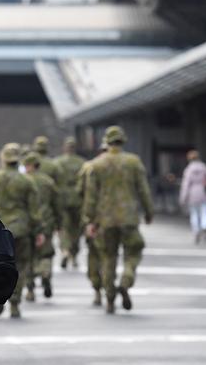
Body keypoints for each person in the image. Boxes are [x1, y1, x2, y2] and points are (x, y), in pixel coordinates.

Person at [83, 126, 154, 314]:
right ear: (123, 141)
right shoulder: (133, 162)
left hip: (105, 220)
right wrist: (148, 212)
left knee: (108, 257)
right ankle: (126, 280)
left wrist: (90, 220)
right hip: (128, 218)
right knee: (134, 251)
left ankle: (110, 299)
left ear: (107, 142)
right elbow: (143, 190)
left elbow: (91, 197)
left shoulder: (96, 165)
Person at [0, 143, 43, 318]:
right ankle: (15, 302)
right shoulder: (27, 181)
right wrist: (39, 231)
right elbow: (34, 210)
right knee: (20, 267)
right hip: (21, 230)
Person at [23, 152, 60, 301]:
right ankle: (45, 274)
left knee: (29, 257)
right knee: (46, 253)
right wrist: (59, 223)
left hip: (28, 223)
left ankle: (30, 289)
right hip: (47, 221)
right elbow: (56, 204)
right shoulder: (48, 182)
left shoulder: (24, 180)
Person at [77, 138, 107, 306]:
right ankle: (112, 286)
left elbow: (80, 191)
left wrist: (88, 219)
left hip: (94, 219)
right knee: (110, 256)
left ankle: (97, 289)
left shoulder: (90, 167)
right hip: (115, 220)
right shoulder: (126, 164)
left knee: (94, 254)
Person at [54, 137, 86, 269]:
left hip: (62, 198)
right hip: (78, 199)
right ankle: (74, 255)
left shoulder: (57, 163)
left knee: (64, 228)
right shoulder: (82, 163)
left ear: (64, 148)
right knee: (76, 229)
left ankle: (65, 250)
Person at [179, 150, 206, 244]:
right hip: (204, 193)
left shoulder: (188, 169)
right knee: (205, 212)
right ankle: (205, 226)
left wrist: (183, 198)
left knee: (194, 214)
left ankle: (196, 231)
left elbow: (186, 185)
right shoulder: (205, 167)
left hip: (193, 194)